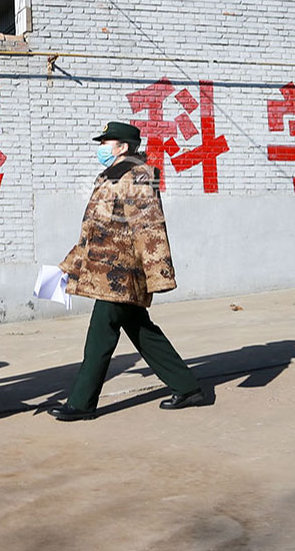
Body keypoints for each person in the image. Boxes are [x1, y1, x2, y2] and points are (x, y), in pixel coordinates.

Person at [50, 122, 203, 421]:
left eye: (107, 142)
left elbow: (150, 226)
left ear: (123, 147)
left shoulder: (139, 177)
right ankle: (187, 387)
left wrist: (159, 275)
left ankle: (81, 403)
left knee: (100, 334)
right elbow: (94, 232)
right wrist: (67, 267)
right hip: (104, 271)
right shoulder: (109, 177)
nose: (102, 147)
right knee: (140, 330)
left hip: (122, 274)